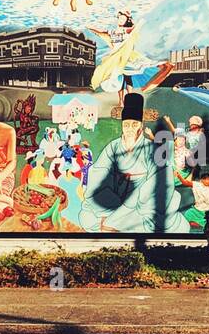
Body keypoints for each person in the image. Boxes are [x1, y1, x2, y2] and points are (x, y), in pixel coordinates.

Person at [79, 92, 190, 233]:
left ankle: (119, 222)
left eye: (134, 124)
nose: (130, 129)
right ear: (122, 126)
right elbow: (98, 177)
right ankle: (115, 221)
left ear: (141, 127)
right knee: (87, 216)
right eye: (126, 125)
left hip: (142, 204)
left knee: (163, 222)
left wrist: (122, 213)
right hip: (115, 200)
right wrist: (105, 212)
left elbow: (161, 183)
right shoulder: (113, 148)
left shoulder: (153, 150)